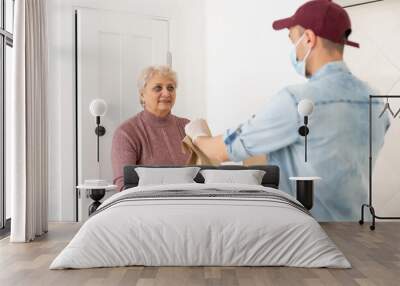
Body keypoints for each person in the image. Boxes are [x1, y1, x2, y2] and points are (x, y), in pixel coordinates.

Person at [184, 0, 390, 221]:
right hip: (358, 232)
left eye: (294, 41)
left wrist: (197, 134)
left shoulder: (295, 101)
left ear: (309, 39)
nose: (295, 51)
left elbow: (218, 152)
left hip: (309, 236)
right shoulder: (376, 102)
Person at [112, 66, 189, 191]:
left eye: (171, 88)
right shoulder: (126, 132)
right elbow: (123, 185)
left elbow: (205, 175)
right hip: (146, 207)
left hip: (190, 204)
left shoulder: (187, 127)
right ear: (142, 94)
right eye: (158, 88)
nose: (166, 93)